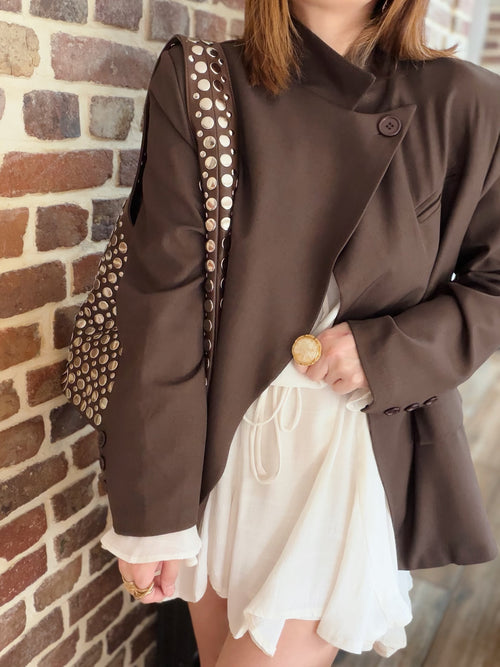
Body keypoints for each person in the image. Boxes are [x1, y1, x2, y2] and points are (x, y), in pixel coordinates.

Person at [94, 0, 500, 665]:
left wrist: (387, 352)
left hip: (346, 446)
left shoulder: (468, 102)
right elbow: (164, 302)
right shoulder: (204, 82)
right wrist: (153, 513)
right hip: (214, 444)